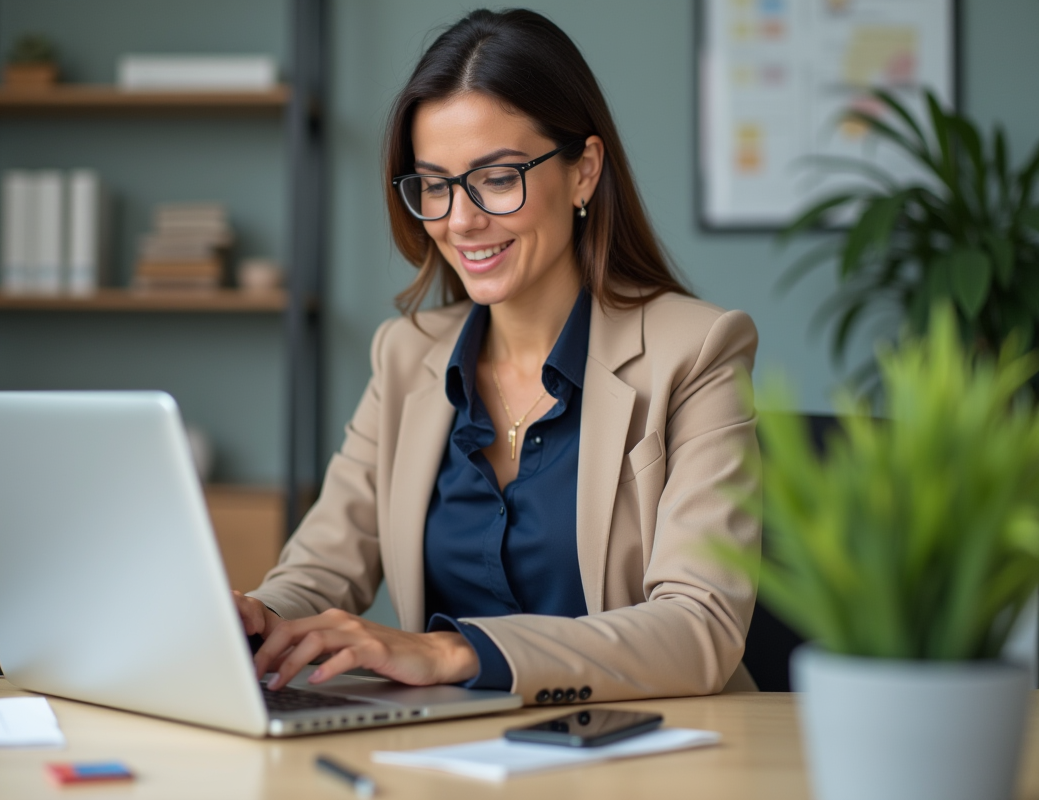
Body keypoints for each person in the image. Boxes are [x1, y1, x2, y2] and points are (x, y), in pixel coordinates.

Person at [235, 8, 761, 705]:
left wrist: (453, 652)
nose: (459, 219)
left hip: (651, 757)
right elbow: (318, 573)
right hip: (454, 758)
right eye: (434, 184)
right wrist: (258, 619)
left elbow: (700, 628)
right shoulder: (407, 356)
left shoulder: (696, 352)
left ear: (584, 173)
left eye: (498, 177)